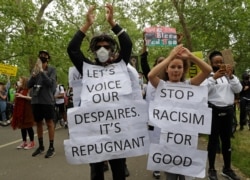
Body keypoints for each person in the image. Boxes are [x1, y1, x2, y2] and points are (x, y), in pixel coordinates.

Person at [67, 4, 132, 180]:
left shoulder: (120, 66)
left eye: (106, 46)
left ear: (112, 49)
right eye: (98, 46)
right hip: (93, 130)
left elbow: (127, 44)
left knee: (119, 171)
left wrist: (112, 22)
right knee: (96, 172)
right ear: (94, 50)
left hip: (116, 129)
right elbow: (72, 49)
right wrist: (86, 24)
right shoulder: (86, 68)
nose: (103, 49)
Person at [147, 44, 212, 180]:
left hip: (186, 139)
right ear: (167, 69)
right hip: (168, 141)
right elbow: (151, 75)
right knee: (170, 175)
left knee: (184, 175)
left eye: (179, 67)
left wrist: (190, 56)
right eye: (172, 67)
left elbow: (207, 70)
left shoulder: (190, 85)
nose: (176, 70)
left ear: (184, 70)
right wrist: (170, 57)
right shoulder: (162, 86)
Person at [206, 50, 242, 180]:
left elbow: (238, 89)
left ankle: (227, 169)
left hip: (228, 111)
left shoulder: (229, 76)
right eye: (216, 62)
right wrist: (213, 78)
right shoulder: (208, 76)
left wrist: (231, 76)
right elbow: (204, 91)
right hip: (213, 111)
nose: (219, 64)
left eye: (221, 62)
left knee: (226, 141)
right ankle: (211, 169)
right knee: (213, 141)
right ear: (211, 63)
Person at [27, 50, 57, 158]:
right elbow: (28, 85)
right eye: (41, 55)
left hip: (47, 101)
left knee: (49, 122)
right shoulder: (34, 70)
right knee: (38, 123)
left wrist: (41, 71)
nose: (42, 56)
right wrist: (34, 75)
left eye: (45, 55)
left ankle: (51, 147)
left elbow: (50, 83)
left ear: (48, 58)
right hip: (36, 101)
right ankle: (40, 146)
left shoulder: (52, 69)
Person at [11, 76, 35, 150]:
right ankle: (24, 141)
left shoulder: (29, 89)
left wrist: (22, 96)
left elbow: (32, 98)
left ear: (24, 82)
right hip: (21, 110)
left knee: (28, 126)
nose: (18, 82)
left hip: (27, 110)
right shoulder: (19, 90)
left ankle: (32, 142)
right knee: (22, 126)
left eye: (20, 81)